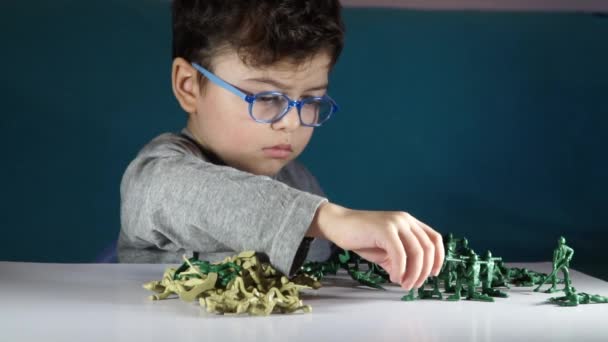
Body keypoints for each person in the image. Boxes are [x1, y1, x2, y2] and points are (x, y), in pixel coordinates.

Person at [118, 0, 444, 291]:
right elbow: (191, 193)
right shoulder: (156, 175)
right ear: (188, 86)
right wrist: (327, 219)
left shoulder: (300, 183)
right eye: (266, 97)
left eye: (311, 99)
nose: (291, 122)